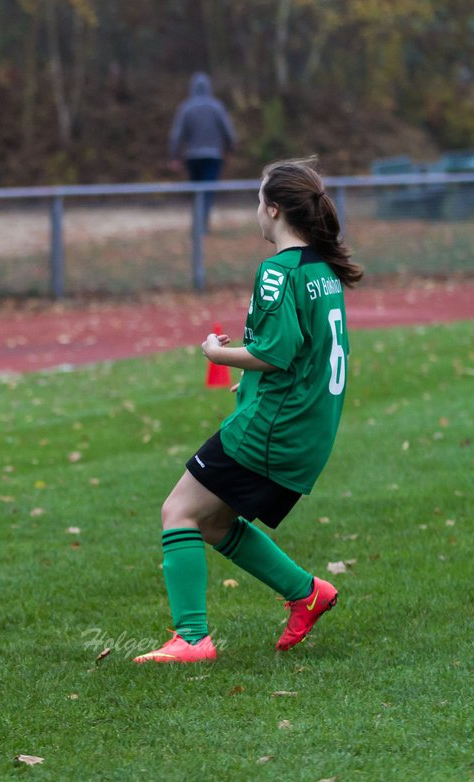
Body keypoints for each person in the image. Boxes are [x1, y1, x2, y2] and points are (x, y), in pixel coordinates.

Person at [133, 156, 362, 663]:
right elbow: (298, 351)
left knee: (179, 512)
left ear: (275, 210)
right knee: (211, 522)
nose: (256, 209)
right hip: (305, 428)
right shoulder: (322, 270)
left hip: (272, 428)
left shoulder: (278, 271)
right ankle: (307, 593)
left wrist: (217, 354)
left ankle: (192, 639)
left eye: (259, 199)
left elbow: (275, 355)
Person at [168, 71, 236, 230]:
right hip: (213, 157)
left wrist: (174, 156)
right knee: (207, 192)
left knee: (197, 191)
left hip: (192, 157)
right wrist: (230, 149)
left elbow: (176, 135)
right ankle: (202, 225)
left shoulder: (186, 108)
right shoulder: (216, 107)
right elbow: (228, 130)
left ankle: (199, 225)